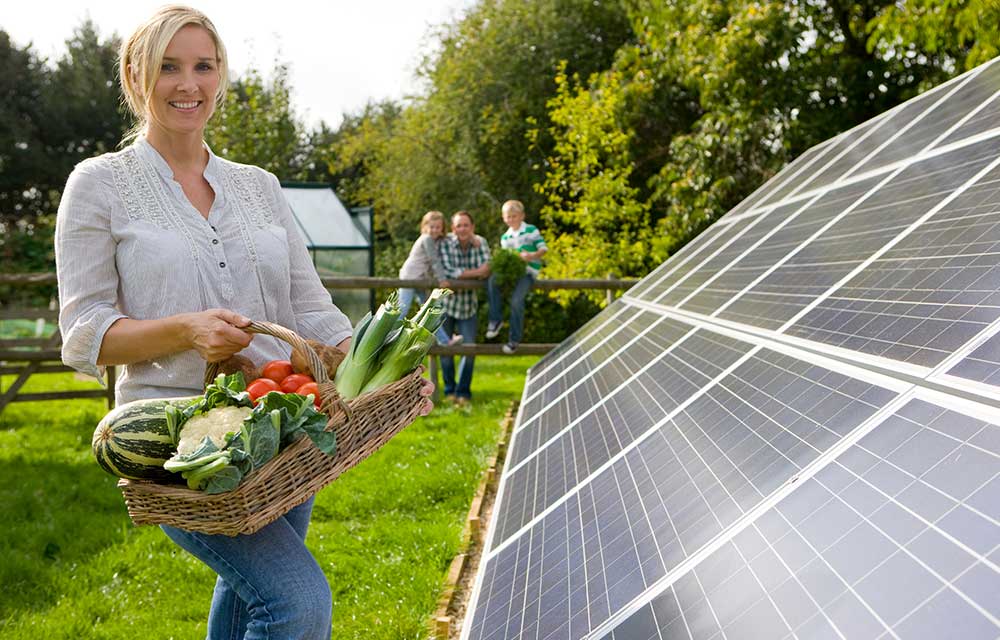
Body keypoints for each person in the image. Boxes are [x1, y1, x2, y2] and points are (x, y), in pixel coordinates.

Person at [54, 6, 433, 639]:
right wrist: (186, 330)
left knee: (247, 600)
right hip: (181, 443)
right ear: (135, 76)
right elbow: (86, 333)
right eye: (168, 67)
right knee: (295, 602)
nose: (188, 84)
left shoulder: (259, 186)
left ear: (221, 75)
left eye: (204, 66)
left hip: (284, 422)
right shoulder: (99, 185)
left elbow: (309, 306)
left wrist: (383, 373)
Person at [438, 211, 491, 405]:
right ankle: (449, 391)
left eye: (466, 225)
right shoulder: (445, 243)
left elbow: (487, 268)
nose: (462, 229)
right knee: (445, 351)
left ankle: (463, 393)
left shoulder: (480, 242)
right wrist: (476, 273)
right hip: (447, 304)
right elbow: (449, 271)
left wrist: (467, 274)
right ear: (453, 228)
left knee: (469, 350)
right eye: (459, 225)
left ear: (472, 227)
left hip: (468, 306)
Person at [485, 199, 548, 354]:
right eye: (509, 217)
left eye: (514, 216)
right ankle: (495, 320)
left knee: (516, 301)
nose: (512, 219)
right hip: (513, 272)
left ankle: (514, 340)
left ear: (522, 216)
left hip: (528, 271)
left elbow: (543, 249)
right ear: (504, 218)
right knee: (493, 280)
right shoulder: (505, 237)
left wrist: (531, 256)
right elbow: (507, 257)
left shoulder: (531, 230)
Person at [397, 210, 458, 345]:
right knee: (403, 309)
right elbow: (434, 260)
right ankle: (388, 335)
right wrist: (442, 280)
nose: (434, 230)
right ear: (425, 227)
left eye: (438, 227)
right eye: (432, 227)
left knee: (429, 311)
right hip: (410, 278)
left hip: (419, 279)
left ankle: (445, 340)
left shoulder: (433, 239)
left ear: (442, 228)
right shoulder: (427, 239)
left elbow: (449, 237)